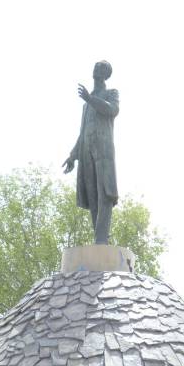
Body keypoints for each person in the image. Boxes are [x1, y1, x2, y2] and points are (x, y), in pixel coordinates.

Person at [63, 60, 119, 244]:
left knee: (105, 192)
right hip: (86, 152)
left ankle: (101, 239)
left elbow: (111, 110)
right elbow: (83, 132)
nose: (96, 69)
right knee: (93, 195)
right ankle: (98, 238)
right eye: (96, 66)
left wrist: (90, 99)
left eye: (101, 68)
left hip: (103, 151)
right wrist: (73, 156)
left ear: (106, 74)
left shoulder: (111, 93)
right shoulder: (86, 105)